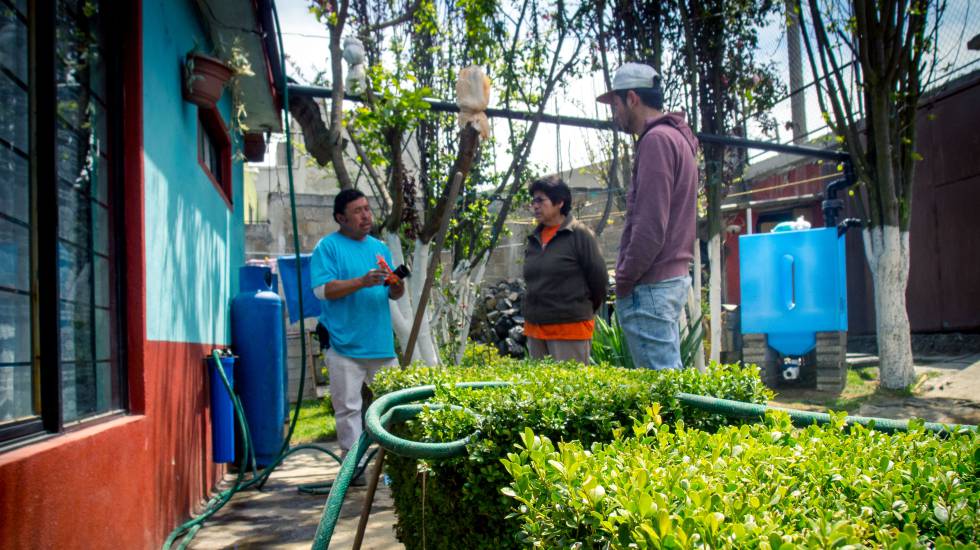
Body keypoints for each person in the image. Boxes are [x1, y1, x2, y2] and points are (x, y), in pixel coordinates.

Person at [596, 62, 699, 370]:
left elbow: (651, 226)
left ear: (632, 98)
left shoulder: (656, 141)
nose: (613, 113)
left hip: (650, 285)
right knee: (669, 389)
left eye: (615, 104)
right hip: (666, 279)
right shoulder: (677, 139)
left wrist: (625, 278)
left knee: (662, 398)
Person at [310, 189, 404, 459]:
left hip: (381, 345)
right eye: (358, 211)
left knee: (394, 406)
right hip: (343, 346)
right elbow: (321, 290)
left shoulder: (379, 248)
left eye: (367, 208)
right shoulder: (328, 247)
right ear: (341, 217)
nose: (366, 215)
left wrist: (397, 285)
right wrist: (361, 281)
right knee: (348, 410)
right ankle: (352, 468)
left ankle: (397, 465)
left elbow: (393, 293)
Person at [522, 176, 608, 364]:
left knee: (569, 390)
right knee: (539, 391)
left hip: (569, 330)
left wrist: (577, 309)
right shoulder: (534, 239)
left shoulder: (579, 235)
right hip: (536, 330)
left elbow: (599, 281)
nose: (535, 206)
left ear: (560, 202)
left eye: (541, 200)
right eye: (533, 200)